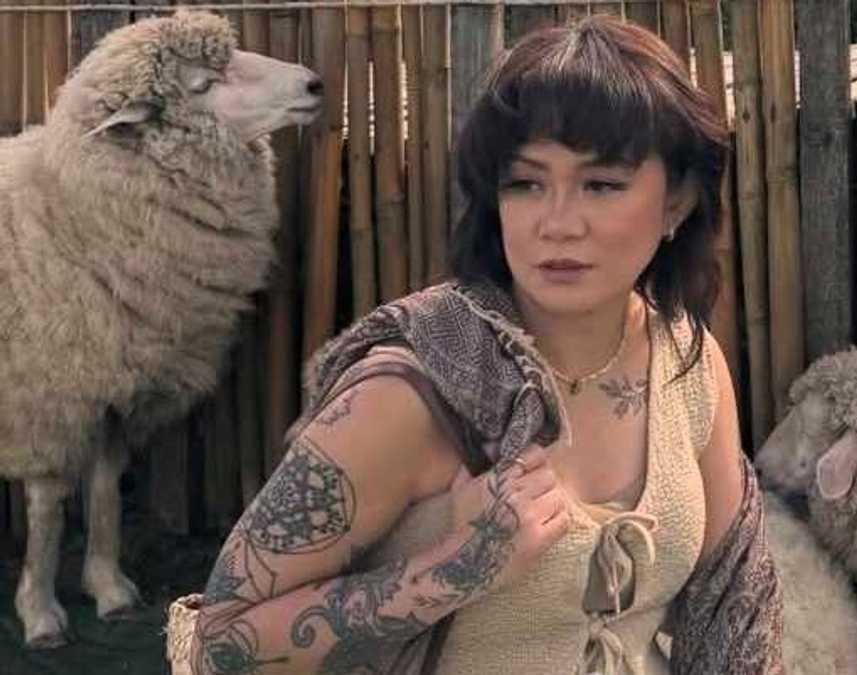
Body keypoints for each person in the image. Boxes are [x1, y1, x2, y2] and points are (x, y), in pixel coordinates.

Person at [180, 15, 782, 675]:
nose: (557, 223)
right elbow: (220, 645)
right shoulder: (409, 390)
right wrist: (454, 568)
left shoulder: (686, 360)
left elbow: (733, 604)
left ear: (677, 202)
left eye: (602, 184)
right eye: (526, 183)